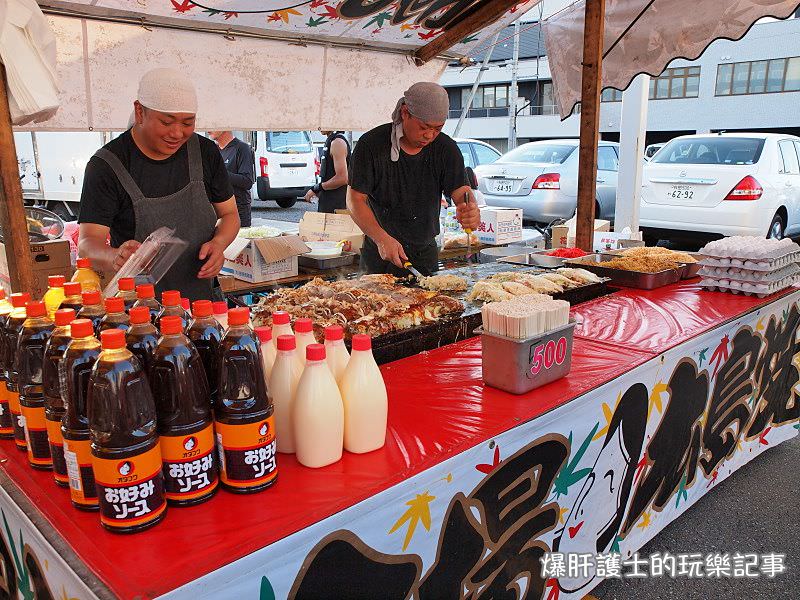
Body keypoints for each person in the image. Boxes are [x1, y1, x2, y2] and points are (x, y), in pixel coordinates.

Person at [77, 68, 240, 302]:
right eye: (166, 122)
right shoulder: (106, 165)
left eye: (187, 122)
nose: (177, 133)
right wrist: (115, 256)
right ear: (140, 111)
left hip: (204, 303)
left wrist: (219, 243)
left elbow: (230, 214)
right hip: (140, 313)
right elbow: (87, 243)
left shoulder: (205, 152)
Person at [347, 82, 481, 276]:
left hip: (425, 252)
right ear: (405, 113)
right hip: (380, 252)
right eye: (423, 127)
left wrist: (469, 208)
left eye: (437, 129)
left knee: (429, 305)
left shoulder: (446, 148)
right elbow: (354, 200)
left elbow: (461, 191)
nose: (429, 135)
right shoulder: (371, 145)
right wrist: (381, 238)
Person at [209, 130, 255, 227]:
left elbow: (247, 181)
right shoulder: (213, 150)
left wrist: (221, 173)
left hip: (238, 211)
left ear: (224, 126)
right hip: (217, 212)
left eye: (213, 125)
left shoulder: (242, 148)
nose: (208, 129)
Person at [304, 130, 350, 213]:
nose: (319, 126)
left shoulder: (337, 142)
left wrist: (317, 188)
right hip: (328, 202)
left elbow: (342, 178)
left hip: (337, 205)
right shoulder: (331, 140)